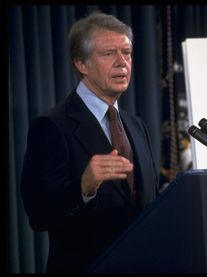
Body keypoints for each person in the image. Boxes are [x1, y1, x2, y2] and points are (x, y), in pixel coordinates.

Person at [20, 11, 160, 273]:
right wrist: (83, 187)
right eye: (109, 54)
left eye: (127, 52)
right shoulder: (52, 126)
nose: (123, 63)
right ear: (81, 64)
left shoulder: (136, 125)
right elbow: (38, 215)